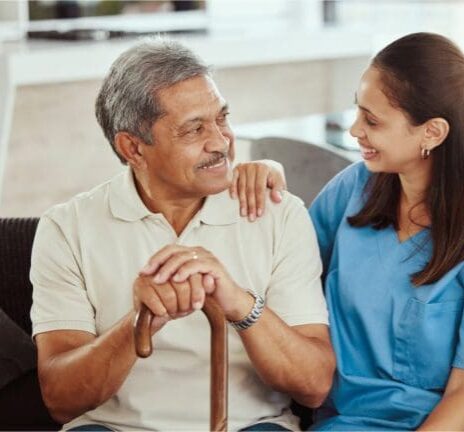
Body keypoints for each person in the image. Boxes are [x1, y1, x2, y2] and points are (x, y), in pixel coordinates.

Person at [234, 32, 464, 431]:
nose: (354, 130)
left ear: (431, 133)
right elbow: (284, 269)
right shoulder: (350, 193)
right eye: (357, 112)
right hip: (359, 422)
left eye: (372, 121)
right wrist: (273, 178)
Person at [30, 37, 335, 431]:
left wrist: (240, 304)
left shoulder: (279, 214)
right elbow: (60, 400)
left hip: (250, 426)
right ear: (133, 149)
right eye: (194, 130)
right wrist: (139, 322)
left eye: (222, 118)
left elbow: (314, 386)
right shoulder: (66, 228)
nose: (221, 141)